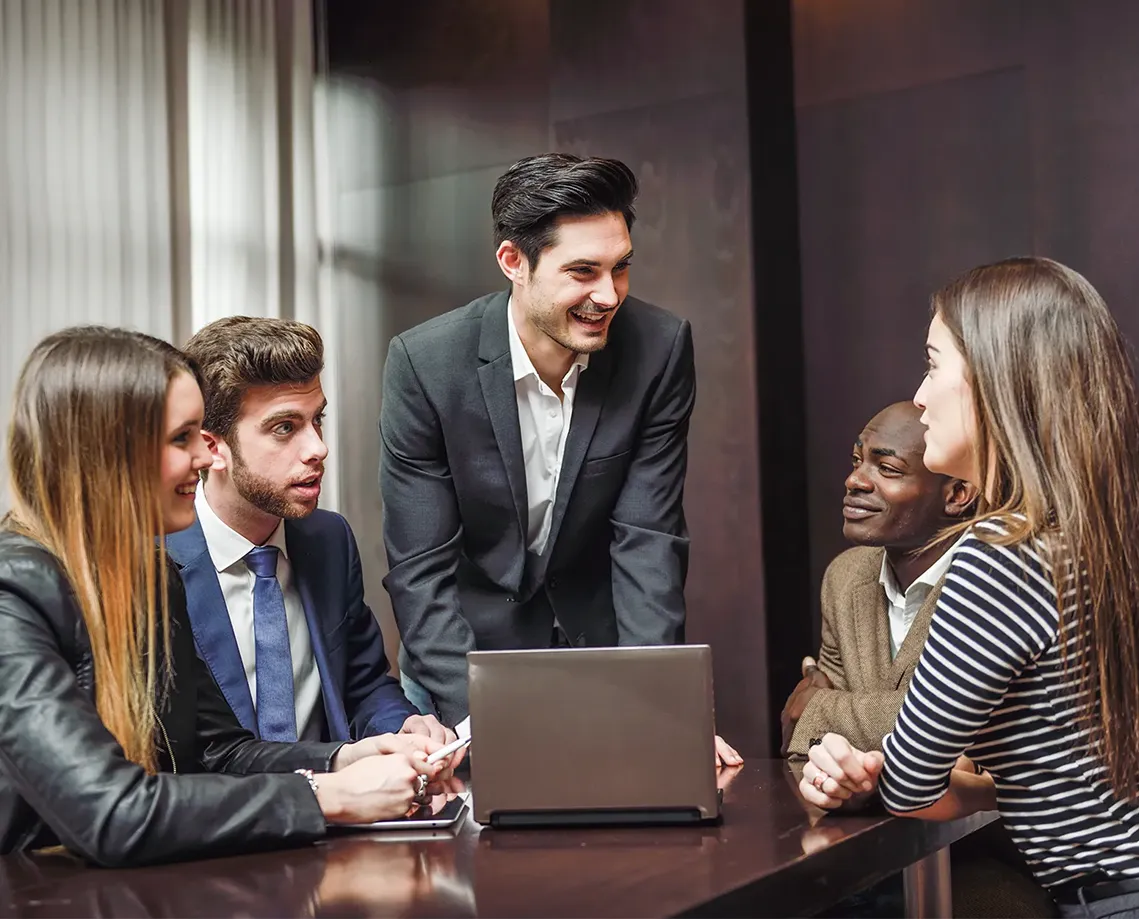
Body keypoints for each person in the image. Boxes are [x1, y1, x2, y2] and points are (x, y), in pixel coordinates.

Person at [0, 327, 455, 867]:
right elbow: (112, 811)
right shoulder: (13, 594)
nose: (204, 456)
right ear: (106, 452)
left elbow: (220, 750)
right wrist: (329, 797)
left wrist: (346, 757)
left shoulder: (148, 574)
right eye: (182, 438)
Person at [800, 258, 1139, 917]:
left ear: (995, 383)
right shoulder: (1094, 533)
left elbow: (908, 786)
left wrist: (880, 768)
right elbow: (1075, 770)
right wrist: (975, 782)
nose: (919, 397)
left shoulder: (1000, 554)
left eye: (932, 364)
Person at [379, 152, 740, 765]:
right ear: (513, 262)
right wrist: (484, 722)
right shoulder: (426, 364)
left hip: (601, 663)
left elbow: (648, 539)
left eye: (620, 268)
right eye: (582, 271)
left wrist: (661, 708)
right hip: (461, 667)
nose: (608, 295)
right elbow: (420, 567)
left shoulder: (658, 349)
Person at [168, 317, 454, 752]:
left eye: (316, 420)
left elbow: (361, 684)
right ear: (213, 448)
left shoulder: (328, 538)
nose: (318, 448)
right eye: (285, 428)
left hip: (345, 813)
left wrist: (401, 729)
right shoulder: (155, 562)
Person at [781, 401, 976, 756]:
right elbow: (807, 747)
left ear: (956, 495)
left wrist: (821, 709)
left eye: (887, 468)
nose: (854, 480)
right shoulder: (845, 577)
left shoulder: (993, 579)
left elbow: (963, 731)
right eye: (858, 460)